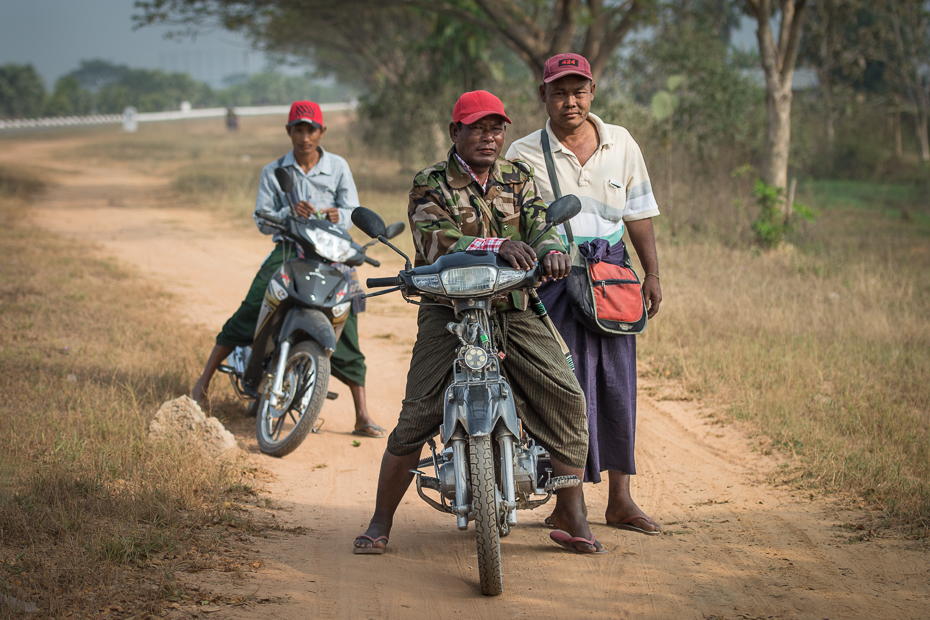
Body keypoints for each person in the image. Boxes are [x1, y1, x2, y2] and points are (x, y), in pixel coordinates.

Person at [353, 90, 605, 556]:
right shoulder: (430, 182)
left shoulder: (517, 176)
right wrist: (493, 245)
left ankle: (571, 509)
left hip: (512, 306)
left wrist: (551, 249)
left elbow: (541, 225)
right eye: (477, 128)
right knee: (418, 413)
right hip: (448, 311)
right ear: (456, 132)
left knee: (566, 396)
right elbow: (434, 240)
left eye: (496, 128)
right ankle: (380, 519)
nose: (488, 137)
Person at [506, 54, 663, 535]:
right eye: (559, 92)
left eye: (578, 91)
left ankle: (621, 500)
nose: (569, 101)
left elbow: (638, 214)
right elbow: (513, 219)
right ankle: (565, 501)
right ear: (544, 96)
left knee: (618, 388)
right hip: (553, 284)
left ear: (592, 91)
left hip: (613, 279)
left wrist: (652, 274)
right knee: (562, 392)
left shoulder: (621, 142)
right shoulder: (522, 152)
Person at [191, 100, 386, 439]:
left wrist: (336, 213)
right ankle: (202, 383)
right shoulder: (274, 170)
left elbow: (352, 207)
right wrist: (288, 213)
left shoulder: (338, 166)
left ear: (321, 132)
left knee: (346, 321)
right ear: (289, 132)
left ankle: (361, 414)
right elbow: (261, 218)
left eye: (311, 129)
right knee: (254, 305)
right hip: (288, 246)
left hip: (331, 251)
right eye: (299, 129)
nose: (305, 136)